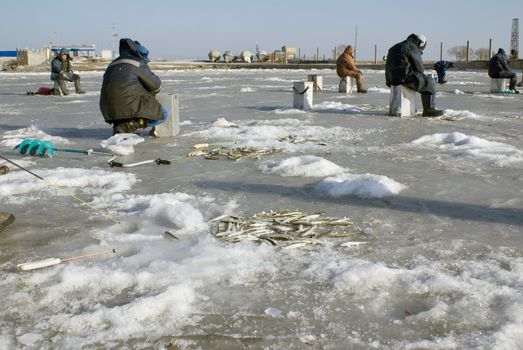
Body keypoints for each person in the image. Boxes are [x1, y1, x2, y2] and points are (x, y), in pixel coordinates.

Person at [100, 38, 168, 135]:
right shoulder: (137, 63)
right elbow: (156, 85)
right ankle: (129, 126)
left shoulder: (113, 63)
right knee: (163, 113)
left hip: (108, 108)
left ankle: (122, 126)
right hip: (128, 105)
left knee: (127, 102)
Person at [385, 34, 443, 117]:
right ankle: (429, 109)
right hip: (403, 77)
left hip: (390, 79)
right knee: (429, 81)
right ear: (421, 43)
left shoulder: (395, 47)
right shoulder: (412, 47)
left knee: (422, 79)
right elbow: (419, 68)